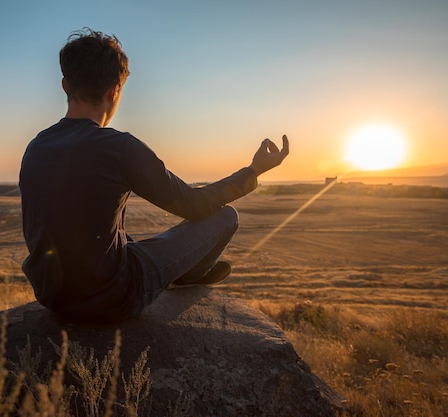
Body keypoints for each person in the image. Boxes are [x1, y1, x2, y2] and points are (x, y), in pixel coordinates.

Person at [19, 28, 289, 322]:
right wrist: (253, 171)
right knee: (226, 217)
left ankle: (185, 271)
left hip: (52, 296)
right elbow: (193, 205)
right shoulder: (118, 147)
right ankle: (189, 275)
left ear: (64, 85)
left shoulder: (36, 146)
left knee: (121, 237)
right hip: (112, 297)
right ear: (114, 91)